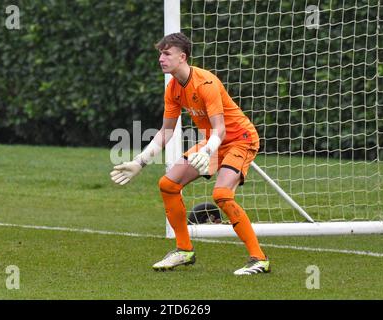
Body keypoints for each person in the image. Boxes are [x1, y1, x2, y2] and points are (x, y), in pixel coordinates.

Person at [110, 32, 270, 276]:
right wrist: (139, 162)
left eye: (167, 54)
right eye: (160, 54)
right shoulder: (173, 88)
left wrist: (207, 151)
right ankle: (184, 250)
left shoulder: (205, 83)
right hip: (213, 143)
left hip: (240, 140)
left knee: (222, 195)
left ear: (182, 57)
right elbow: (165, 132)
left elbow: (221, 129)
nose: (161, 58)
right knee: (168, 184)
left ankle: (259, 259)